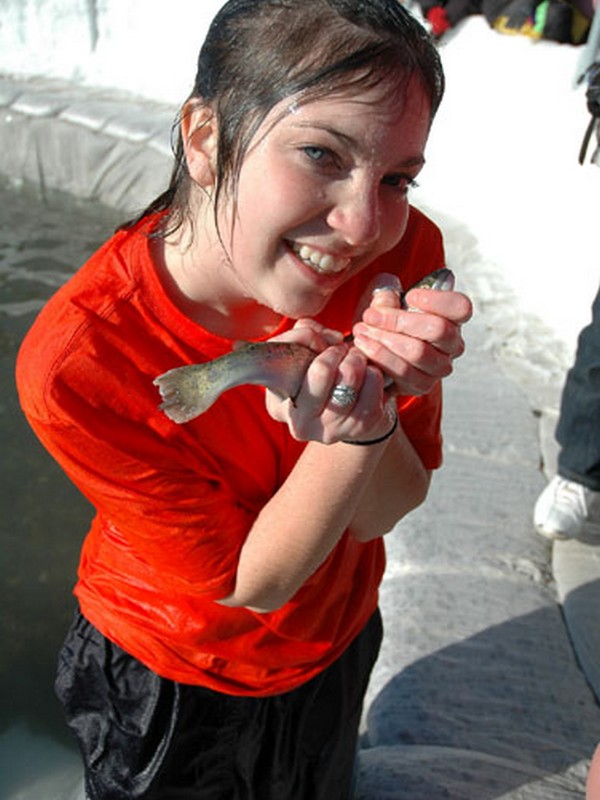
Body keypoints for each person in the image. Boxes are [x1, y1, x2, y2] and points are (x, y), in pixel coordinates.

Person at [16, 1, 472, 798]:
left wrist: (368, 422)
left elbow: (380, 509)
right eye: (321, 153)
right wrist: (348, 442)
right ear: (204, 139)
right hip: (171, 676)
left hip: (336, 641)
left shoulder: (405, 255)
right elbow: (250, 584)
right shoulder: (79, 361)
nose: (363, 225)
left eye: (398, 177)